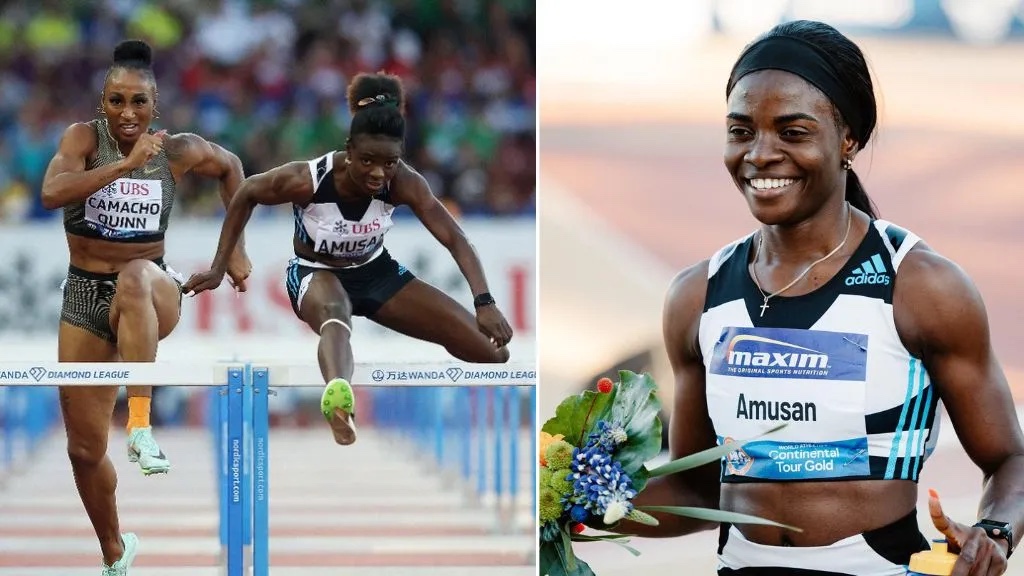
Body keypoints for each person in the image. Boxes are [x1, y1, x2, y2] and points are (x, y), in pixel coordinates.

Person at [618, 20, 1024, 576]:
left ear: (848, 139)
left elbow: (1010, 459)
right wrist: (573, 507)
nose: (760, 154)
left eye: (793, 132)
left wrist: (995, 531)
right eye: (741, 131)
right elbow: (696, 485)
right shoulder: (697, 296)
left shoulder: (921, 286)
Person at [183, 71, 513, 445]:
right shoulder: (307, 180)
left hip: (377, 273)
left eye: (389, 162)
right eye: (368, 161)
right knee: (335, 313)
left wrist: (484, 301)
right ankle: (340, 402)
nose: (378, 173)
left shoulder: (404, 182)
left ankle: (456, 360)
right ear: (349, 149)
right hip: (315, 273)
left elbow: (454, 236)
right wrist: (222, 263)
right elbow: (246, 193)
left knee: (492, 354)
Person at [41, 39, 250, 574]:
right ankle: (115, 551)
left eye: (138, 102)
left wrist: (234, 253)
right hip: (85, 293)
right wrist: (125, 165)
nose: (127, 113)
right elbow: (51, 193)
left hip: (153, 290)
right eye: (116, 101)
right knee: (84, 451)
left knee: (136, 276)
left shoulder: (178, 150)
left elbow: (233, 170)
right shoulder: (82, 140)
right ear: (101, 102)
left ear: (155, 105)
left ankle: (139, 426)